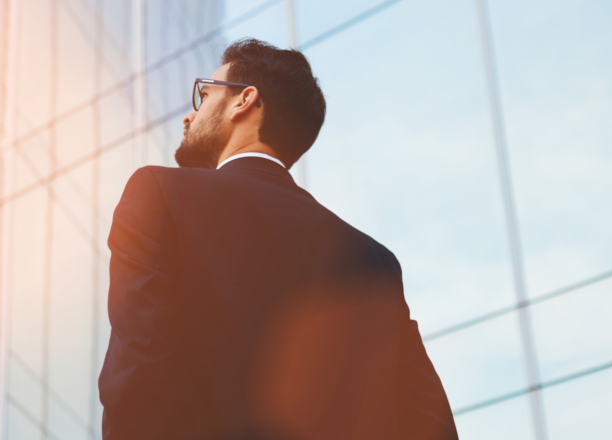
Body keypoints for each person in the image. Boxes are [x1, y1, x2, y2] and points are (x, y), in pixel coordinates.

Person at [98, 38, 458, 440]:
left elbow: (137, 380)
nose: (189, 117)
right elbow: (428, 419)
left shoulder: (158, 193)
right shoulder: (374, 259)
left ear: (243, 101)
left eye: (205, 94)